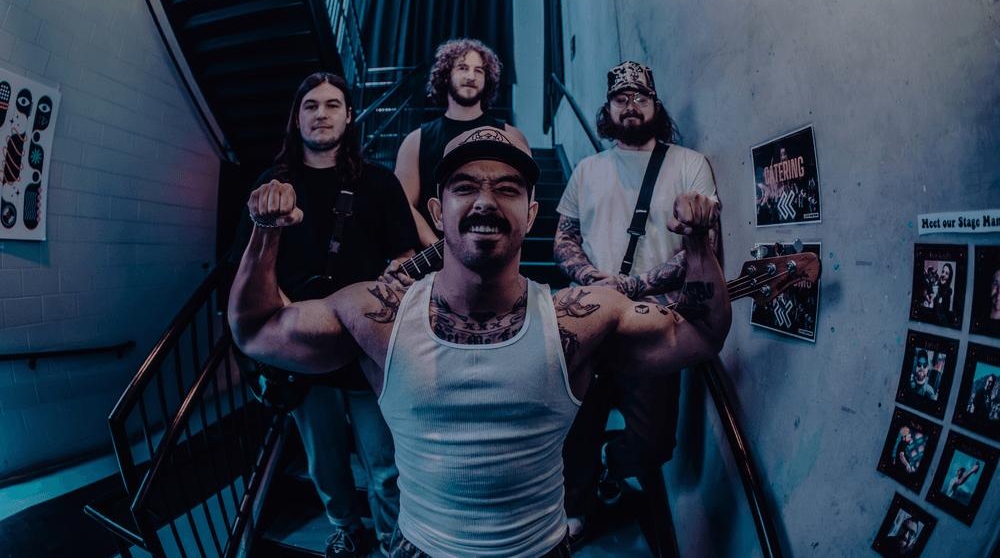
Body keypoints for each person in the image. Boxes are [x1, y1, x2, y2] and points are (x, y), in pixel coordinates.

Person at [229, 126, 732, 557]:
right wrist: (264, 234)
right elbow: (255, 330)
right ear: (437, 210)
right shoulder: (380, 315)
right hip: (420, 548)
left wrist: (696, 242)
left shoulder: (576, 319)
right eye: (465, 187)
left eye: (507, 189)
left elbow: (699, 333)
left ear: (531, 215)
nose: (486, 201)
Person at [229, 72, 419, 557]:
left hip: (366, 346)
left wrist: (399, 272)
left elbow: (405, 251)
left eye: (333, 104)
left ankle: (392, 540)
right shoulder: (272, 186)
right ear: (297, 118)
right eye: (310, 105)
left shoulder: (378, 181)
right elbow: (247, 269)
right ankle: (346, 527)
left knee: (386, 464)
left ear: (349, 116)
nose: (321, 114)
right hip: (300, 347)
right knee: (325, 463)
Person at [553, 60, 722, 544]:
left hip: (654, 323)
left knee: (654, 443)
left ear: (655, 105)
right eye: (621, 98)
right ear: (607, 108)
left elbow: (703, 246)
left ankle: (614, 463)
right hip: (591, 320)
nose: (631, 105)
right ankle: (577, 506)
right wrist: (593, 279)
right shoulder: (587, 170)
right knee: (578, 426)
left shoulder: (688, 164)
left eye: (641, 97)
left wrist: (632, 285)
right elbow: (563, 238)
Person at [395, 38, 529, 248]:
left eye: (479, 71)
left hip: (494, 252)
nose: (471, 76)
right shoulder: (415, 141)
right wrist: (440, 249)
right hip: (433, 258)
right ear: (445, 74)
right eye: (463, 68)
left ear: (487, 79)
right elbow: (402, 205)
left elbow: (522, 204)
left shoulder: (512, 137)